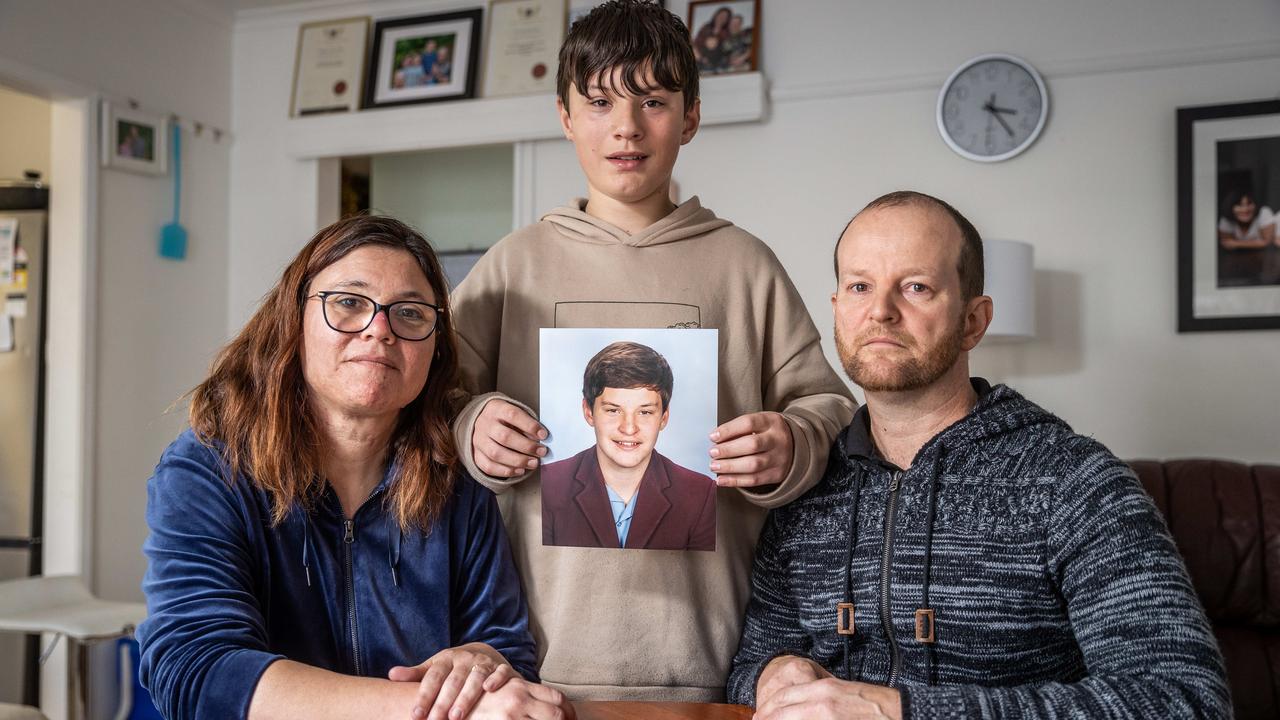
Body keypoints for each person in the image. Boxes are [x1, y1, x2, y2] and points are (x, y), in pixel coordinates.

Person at [449, 0, 856, 701]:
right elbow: (427, 398)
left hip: (708, 660)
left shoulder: (744, 265)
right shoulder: (513, 265)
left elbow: (831, 406)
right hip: (530, 672)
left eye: (654, 101)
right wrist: (470, 424)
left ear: (692, 117)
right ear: (565, 116)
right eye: (600, 102)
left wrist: (791, 441)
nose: (626, 127)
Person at [726, 191, 1230, 719]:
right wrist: (771, 673)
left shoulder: (1075, 481)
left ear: (974, 320)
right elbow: (748, 665)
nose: (880, 311)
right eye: (859, 287)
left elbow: (1184, 699)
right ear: (837, 311)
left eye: (916, 287)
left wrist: (901, 712)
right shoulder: (807, 482)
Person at [137, 215, 573, 720]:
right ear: (293, 319)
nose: (379, 330)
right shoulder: (209, 470)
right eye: (349, 303)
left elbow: (506, 649)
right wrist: (424, 708)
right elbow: (198, 671)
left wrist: (479, 664)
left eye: (409, 313)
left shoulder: (455, 479)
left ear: (434, 350)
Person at [541, 341, 717, 551]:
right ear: (588, 412)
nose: (629, 428)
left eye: (645, 412)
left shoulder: (701, 495)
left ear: (663, 418)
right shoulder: (548, 485)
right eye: (613, 410)